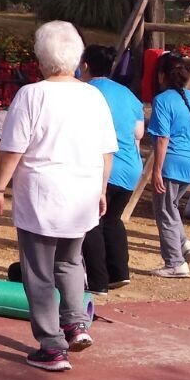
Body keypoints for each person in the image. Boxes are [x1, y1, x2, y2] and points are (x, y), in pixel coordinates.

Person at [0, 21, 116, 372]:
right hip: (81, 194)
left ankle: (52, 345)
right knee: (71, 261)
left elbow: (12, 149)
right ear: (77, 58)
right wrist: (101, 189)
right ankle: (75, 323)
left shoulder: (32, 94)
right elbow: (107, 151)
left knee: (39, 271)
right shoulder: (93, 95)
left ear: (41, 59)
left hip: (42, 195)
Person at [78, 45, 143, 293]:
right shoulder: (127, 94)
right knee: (113, 220)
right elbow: (139, 132)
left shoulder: (85, 91)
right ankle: (119, 272)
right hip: (130, 166)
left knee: (92, 222)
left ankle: (98, 280)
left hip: (103, 166)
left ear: (84, 65)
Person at [144, 53, 190, 278]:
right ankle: (184, 243)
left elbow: (162, 138)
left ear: (162, 75)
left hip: (173, 161)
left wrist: (157, 170)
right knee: (171, 206)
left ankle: (175, 262)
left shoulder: (162, 100)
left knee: (164, 211)